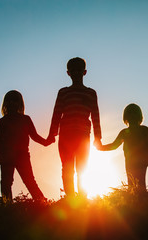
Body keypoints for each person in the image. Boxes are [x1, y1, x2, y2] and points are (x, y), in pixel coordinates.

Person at [47, 57, 102, 197]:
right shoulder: (63, 92)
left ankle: (82, 197)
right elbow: (57, 113)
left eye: (79, 70)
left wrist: (98, 137)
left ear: (84, 72)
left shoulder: (91, 93)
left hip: (83, 136)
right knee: (67, 167)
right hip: (65, 135)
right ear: (68, 73)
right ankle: (70, 197)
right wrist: (52, 133)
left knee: (82, 167)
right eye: (73, 71)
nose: (76, 73)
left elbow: (95, 116)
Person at [0, 90, 52, 202]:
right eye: (9, 101)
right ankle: (7, 206)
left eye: (15, 101)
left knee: (29, 181)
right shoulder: (2, 121)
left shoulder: (25, 119)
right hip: (7, 156)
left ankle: (42, 202)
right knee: (6, 183)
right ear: (5, 104)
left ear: (20, 104)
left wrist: (46, 142)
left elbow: (34, 136)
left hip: (22, 155)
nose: (12, 103)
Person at [95, 103, 148, 194]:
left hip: (140, 161)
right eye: (130, 114)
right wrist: (101, 147)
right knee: (132, 183)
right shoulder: (125, 132)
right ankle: (135, 201)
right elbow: (114, 145)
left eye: (134, 114)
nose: (132, 117)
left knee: (140, 183)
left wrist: (147, 158)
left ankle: (141, 201)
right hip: (130, 161)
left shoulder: (143, 130)